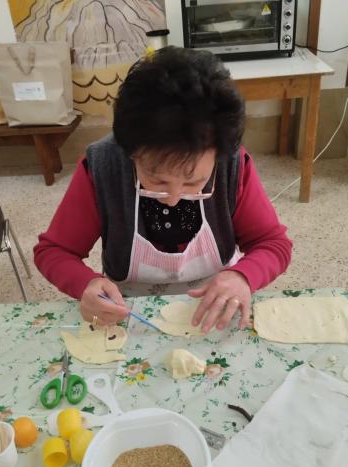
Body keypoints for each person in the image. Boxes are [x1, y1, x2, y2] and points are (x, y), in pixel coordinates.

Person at [34, 46, 292, 334]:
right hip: (129, 313)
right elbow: (54, 251)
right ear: (130, 153)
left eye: (194, 183)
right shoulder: (103, 166)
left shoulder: (232, 164)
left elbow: (274, 245)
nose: (172, 199)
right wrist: (86, 284)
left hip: (216, 307)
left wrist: (243, 277)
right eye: (156, 181)